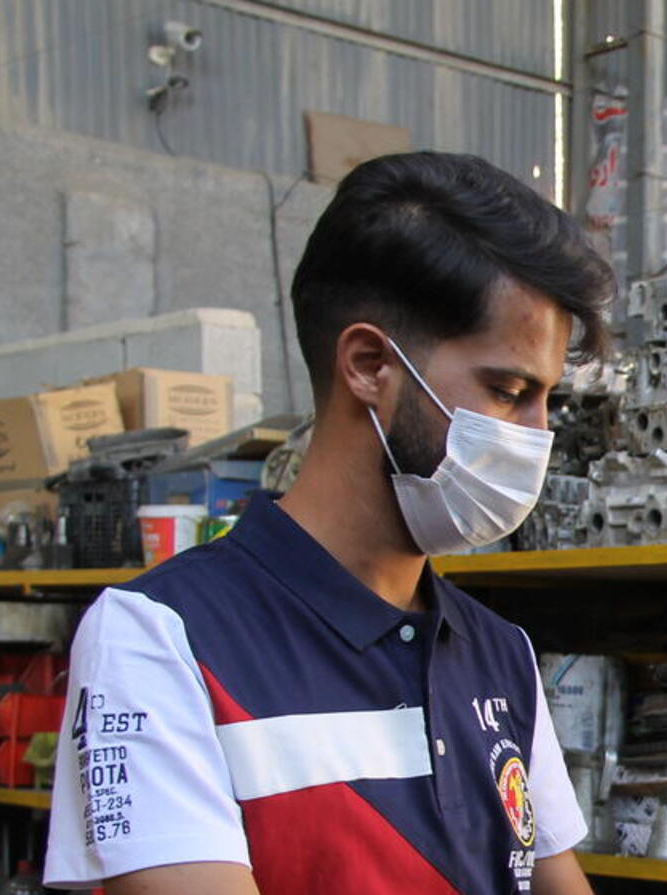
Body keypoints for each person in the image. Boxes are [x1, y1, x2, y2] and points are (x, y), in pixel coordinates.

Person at [43, 152, 612, 895]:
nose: (536, 436)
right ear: (370, 364)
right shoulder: (161, 641)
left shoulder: (500, 656)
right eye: (508, 391)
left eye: (548, 403)